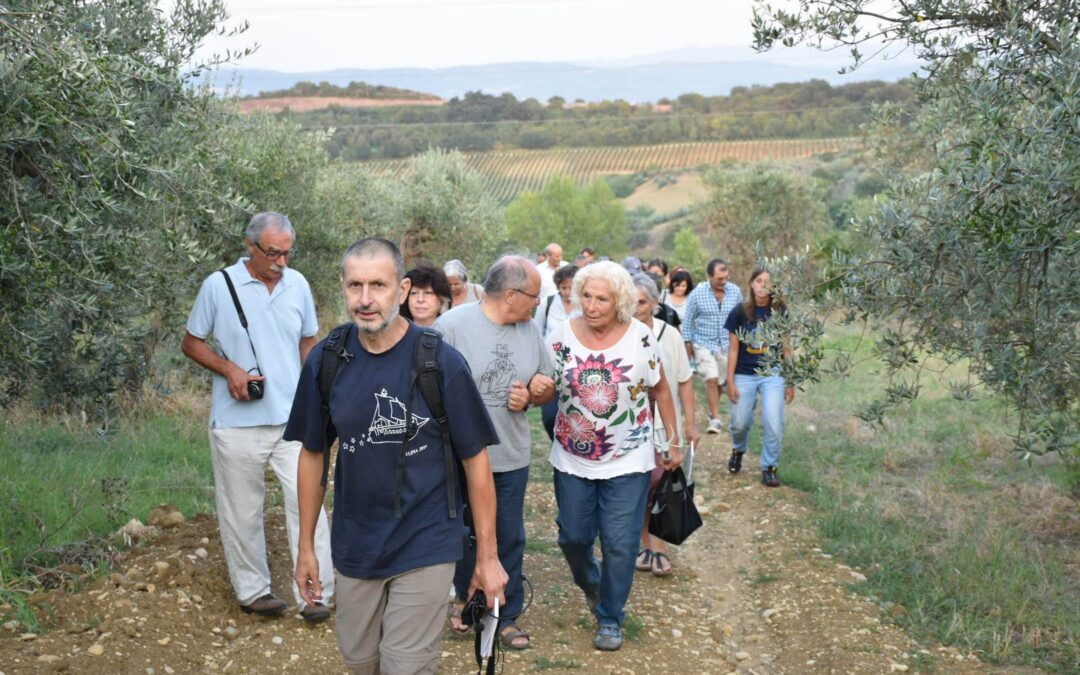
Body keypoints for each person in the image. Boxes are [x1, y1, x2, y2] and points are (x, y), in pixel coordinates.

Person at [288, 238, 507, 675]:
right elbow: (313, 454)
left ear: (403, 290)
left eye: (378, 285)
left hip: (425, 538)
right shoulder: (327, 361)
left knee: (403, 666)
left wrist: (487, 556)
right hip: (355, 543)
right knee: (360, 661)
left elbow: (476, 462)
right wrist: (306, 547)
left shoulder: (439, 361)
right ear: (342, 288)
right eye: (355, 286)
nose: (365, 300)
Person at [181, 212, 334, 621]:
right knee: (242, 510)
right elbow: (191, 342)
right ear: (250, 247)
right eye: (272, 253)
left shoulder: (298, 283)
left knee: (309, 505)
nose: (281, 262)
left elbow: (308, 341)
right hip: (236, 423)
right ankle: (253, 592)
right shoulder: (219, 285)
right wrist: (229, 369)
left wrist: (319, 390)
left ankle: (315, 594)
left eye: (287, 252)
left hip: (293, 420)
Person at [546, 261, 682, 652]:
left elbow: (660, 392)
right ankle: (592, 582)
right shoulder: (562, 336)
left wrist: (670, 442)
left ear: (618, 300)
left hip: (629, 457)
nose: (591, 305)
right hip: (573, 457)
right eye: (585, 296)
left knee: (620, 544)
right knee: (573, 538)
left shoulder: (640, 337)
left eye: (601, 299)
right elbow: (546, 386)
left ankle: (610, 617)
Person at [436, 255, 556, 651]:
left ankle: (505, 616)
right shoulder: (450, 328)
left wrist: (536, 393)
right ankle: (467, 602)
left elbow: (548, 384)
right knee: (460, 536)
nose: (538, 303)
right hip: (457, 460)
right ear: (511, 294)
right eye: (534, 296)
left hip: (510, 456)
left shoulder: (529, 330)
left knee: (508, 537)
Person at [629, 274, 700, 577]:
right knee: (641, 487)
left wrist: (690, 426)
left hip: (662, 427)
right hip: (631, 427)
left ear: (655, 305)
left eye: (641, 302)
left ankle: (658, 549)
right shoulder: (619, 333)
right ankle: (646, 547)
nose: (634, 307)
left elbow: (684, 382)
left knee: (661, 484)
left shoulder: (669, 335)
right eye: (630, 300)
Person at [725, 266, 795, 487]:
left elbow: (786, 348)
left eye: (768, 282)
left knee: (774, 422)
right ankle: (738, 449)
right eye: (758, 281)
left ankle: (769, 467)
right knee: (739, 423)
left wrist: (790, 380)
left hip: (772, 374)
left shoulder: (781, 310)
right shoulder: (739, 312)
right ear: (751, 284)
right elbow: (734, 349)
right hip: (744, 374)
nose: (763, 286)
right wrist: (730, 380)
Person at [681, 258, 743, 434]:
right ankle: (715, 419)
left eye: (726, 278)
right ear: (709, 276)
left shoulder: (735, 292)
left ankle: (712, 408)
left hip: (726, 343)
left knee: (721, 382)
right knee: (712, 378)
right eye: (719, 279)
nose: (724, 282)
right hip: (703, 343)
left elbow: (741, 318)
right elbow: (688, 323)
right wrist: (688, 347)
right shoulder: (697, 294)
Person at [535, 265, 578, 440]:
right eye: (563, 287)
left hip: (576, 369)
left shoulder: (585, 305)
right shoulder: (549, 303)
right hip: (551, 369)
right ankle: (557, 443)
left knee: (574, 416)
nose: (567, 292)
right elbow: (537, 331)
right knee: (550, 416)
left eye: (571, 287)